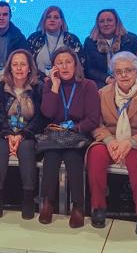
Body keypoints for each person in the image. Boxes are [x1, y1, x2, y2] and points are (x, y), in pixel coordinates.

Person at [87, 51, 137, 234]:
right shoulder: (102, 93)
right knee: (96, 154)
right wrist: (109, 141)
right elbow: (96, 125)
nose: (124, 75)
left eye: (128, 70)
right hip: (110, 141)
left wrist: (130, 142)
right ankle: (98, 207)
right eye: (118, 71)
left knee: (134, 159)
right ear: (113, 74)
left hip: (136, 143)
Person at [39, 47, 100, 228]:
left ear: (75, 64)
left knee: (73, 158)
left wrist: (75, 128)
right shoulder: (50, 85)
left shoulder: (88, 85)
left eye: (68, 62)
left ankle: (78, 207)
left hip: (77, 135)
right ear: (54, 67)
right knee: (51, 157)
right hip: (56, 136)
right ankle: (47, 203)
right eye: (59, 63)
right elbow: (48, 113)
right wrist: (55, 88)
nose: (64, 67)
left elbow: (93, 119)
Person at [0, 49, 46, 219]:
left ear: (30, 67)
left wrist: (22, 134)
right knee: (0, 150)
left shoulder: (38, 88)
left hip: (29, 133)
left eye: (23, 64)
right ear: (10, 68)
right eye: (15, 64)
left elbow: (41, 118)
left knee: (26, 149)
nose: (19, 68)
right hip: (4, 132)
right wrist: (9, 134)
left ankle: (28, 199)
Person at [83, 9, 137, 88]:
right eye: (102, 21)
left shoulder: (131, 39)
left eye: (109, 20)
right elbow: (89, 69)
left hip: (128, 80)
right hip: (101, 83)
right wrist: (107, 79)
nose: (106, 24)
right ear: (97, 24)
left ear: (117, 22)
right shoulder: (90, 42)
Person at [27, 6, 83, 79]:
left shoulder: (72, 40)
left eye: (56, 17)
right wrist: (43, 78)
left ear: (61, 22)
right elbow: (27, 63)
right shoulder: (34, 38)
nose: (52, 20)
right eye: (48, 17)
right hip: (39, 82)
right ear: (44, 21)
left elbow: (79, 64)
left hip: (66, 82)